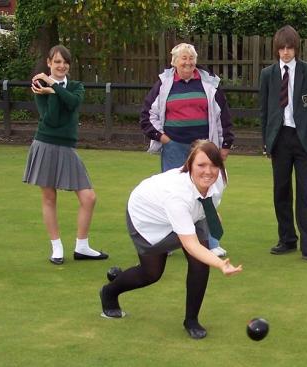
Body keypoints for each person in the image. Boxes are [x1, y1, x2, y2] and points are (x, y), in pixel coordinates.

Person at [99, 140, 243, 339]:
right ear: (189, 165)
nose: (208, 171)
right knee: (151, 273)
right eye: (201, 165)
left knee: (200, 264)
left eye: (213, 165)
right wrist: (221, 264)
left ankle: (191, 320)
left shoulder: (219, 179)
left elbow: (207, 201)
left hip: (189, 214)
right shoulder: (177, 196)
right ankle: (109, 292)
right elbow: (191, 245)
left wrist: (212, 215)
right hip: (149, 218)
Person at [139, 42, 234, 257]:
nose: (188, 62)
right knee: (174, 195)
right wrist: (163, 138)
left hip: (203, 150)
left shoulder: (209, 83)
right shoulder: (163, 84)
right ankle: (169, 243)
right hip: (174, 148)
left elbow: (223, 116)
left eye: (191, 58)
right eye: (183, 58)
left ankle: (211, 242)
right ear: (174, 62)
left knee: (206, 193)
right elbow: (147, 115)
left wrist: (225, 145)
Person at [259, 25, 307, 264]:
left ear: (296, 48)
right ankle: (287, 239)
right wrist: (266, 141)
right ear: (276, 49)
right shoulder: (268, 75)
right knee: (281, 192)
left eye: (289, 48)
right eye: (282, 48)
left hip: (305, 142)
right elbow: (264, 111)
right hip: (279, 140)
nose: (285, 52)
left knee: (306, 194)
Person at [23, 45, 108, 265]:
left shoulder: (76, 86)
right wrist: (51, 90)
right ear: (49, 63)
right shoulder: (37, 86)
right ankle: (57, 247)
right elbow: (51, 119)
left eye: (65, 62)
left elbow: (73, 103)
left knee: (89, 197)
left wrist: (52, 88)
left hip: (67, 148)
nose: (61, 66)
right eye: (57, 62)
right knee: (49, 197)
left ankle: (82, 246)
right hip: (46, 144)